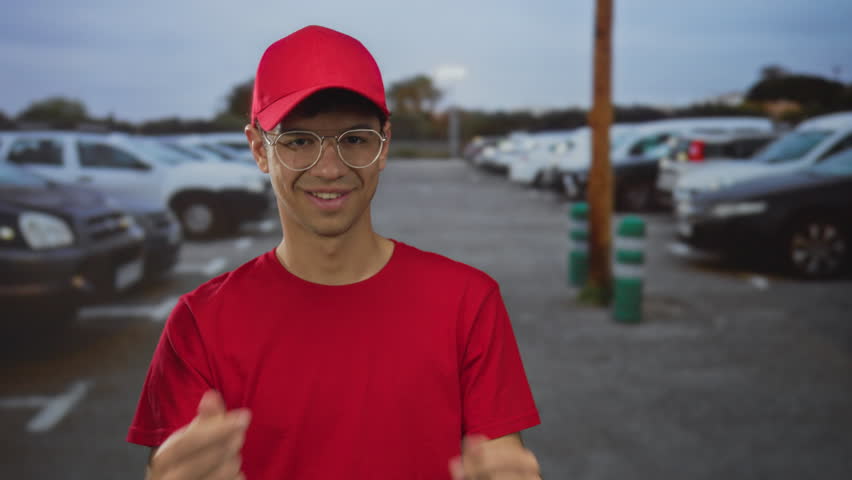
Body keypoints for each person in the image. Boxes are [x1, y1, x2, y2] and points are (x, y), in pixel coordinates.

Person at [128, 25, 542, 480]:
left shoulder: (468, 303)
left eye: (354, 139)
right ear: (258, 149)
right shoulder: (200, 325)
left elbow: (502, 464)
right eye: (299, 141)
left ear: (384, 145)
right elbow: (175, 468)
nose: (329, 168)